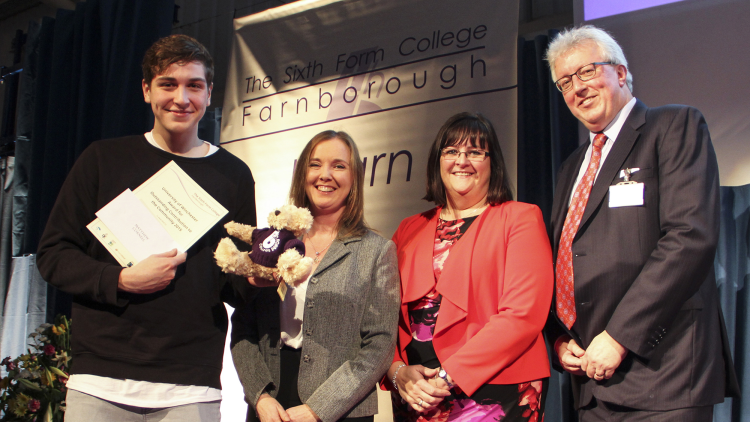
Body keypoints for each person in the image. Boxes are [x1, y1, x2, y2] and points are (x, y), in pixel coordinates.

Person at [36, 34, 257, 421]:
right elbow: (53, 256)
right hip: (100, 379)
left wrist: (258, 277)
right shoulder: (103, 160)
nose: (181, 98)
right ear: (146, 90)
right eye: (168, 84)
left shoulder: (233, 175)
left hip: (192, 383)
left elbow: (233, 282)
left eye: (194, 85)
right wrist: (121, 280)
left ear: (209, 94)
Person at [544, 25, 740, 420]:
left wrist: (618, 338)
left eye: (586, 72)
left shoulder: (673, 128)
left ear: (620, 72)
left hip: (662, 374)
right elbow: (564, 257)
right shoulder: (571, 168)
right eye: (565, 81)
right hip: (592, 383)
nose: (577, 88)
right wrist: (559, 337)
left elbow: (689, 238)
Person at [385, 112, 554, 421]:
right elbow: (383, 318)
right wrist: (398, 373)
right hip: (418, 396)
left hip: (498, 390)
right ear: (438, 160)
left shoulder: (520, 218)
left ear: (493, 163)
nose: (461, 160)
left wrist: (448, 378)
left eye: (475, 152)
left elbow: (523, 315)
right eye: (451, 151)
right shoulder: (408, 229)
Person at [230, 130, 400, 422]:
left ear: (355, 176)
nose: (325, 175)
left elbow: (380, 345)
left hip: (343, 410)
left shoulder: (377, 251)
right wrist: (259, 396)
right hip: (271, 406)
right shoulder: (271, 243)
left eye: (338, 165)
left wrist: (319, 408)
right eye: (315, 164)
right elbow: (244, 328)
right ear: (302, 173)